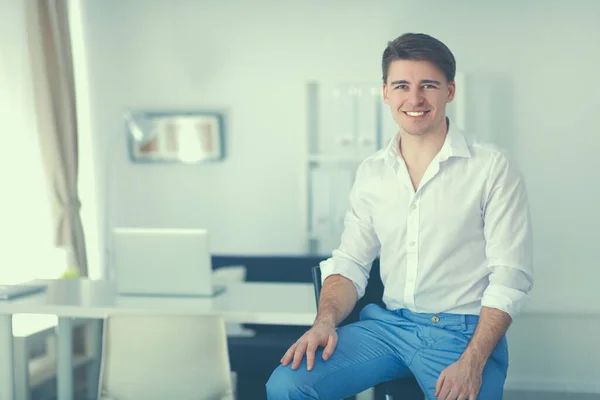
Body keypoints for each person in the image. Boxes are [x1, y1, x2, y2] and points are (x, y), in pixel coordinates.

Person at [266, 32, 533, 400]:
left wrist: (472, 361)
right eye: (402, 85)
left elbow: (509, 277)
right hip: (388, 327)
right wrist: (324, 322)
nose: (415, 98)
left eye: (428, 85)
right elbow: (350, 262)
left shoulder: (491, 167)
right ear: (386, 93)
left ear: (450, 91)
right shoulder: (372, 172)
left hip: (460, 331)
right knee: (287, 385)